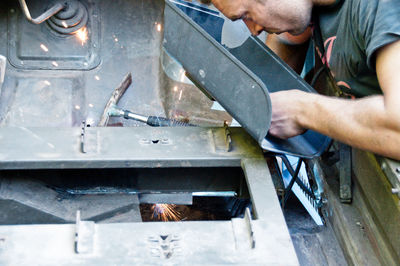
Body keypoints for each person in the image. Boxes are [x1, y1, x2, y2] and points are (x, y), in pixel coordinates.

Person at [210, 0, 400, 160]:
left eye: (247, 15)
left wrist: (301, 110)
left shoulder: (380, 7)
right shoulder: (313, 6)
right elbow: (288, 38)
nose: (254, 30)